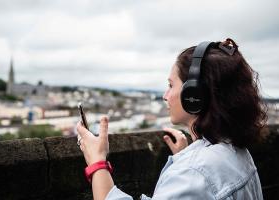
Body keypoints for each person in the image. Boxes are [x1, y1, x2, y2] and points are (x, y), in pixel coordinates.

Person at [77, 38, 267, 200]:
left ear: (194, 95)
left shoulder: (193, 174)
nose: (165, 95)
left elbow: (199, 179)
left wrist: (97, 161)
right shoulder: (239, 153)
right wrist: (188, 154)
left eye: (171, 85)